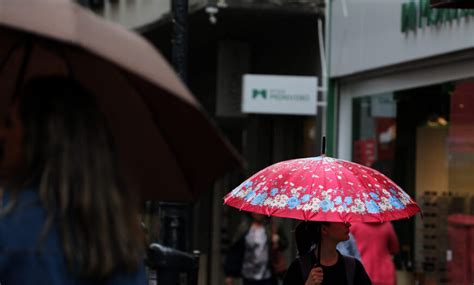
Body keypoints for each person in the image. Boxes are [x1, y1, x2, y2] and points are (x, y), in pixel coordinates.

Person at [0, 76, 146, 284]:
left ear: (38, 139)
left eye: (9, 124)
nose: (1, 134)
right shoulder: (122, 245)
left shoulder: (12, 230)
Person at [283, 221, 371, 285]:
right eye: (341, 220)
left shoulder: (353, 267)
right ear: (324, 229)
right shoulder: (299, 267)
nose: (348, 224)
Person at [224, 213, 288, 285]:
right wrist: (229, 274)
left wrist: (277, 241)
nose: (258, 214)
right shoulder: (244, 228)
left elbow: (284, 244)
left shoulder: (272, 227)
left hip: (267, 274)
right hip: (248, 274)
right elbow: (235, 250)